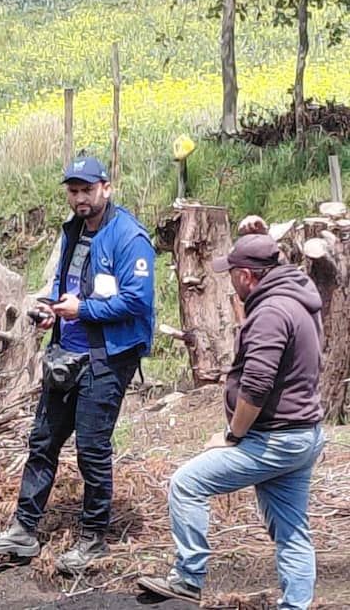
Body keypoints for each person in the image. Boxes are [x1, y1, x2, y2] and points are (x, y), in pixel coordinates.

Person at [0, 157, 156, 573]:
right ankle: (23, 530)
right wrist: (54, 312)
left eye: (86, 190)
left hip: (107, 357)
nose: (79, 198)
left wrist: (83, 309)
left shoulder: (129, 237)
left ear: (105, 188)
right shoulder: (73, 232)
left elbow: (138, 300)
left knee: (92, 449)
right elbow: (69, 290)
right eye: (73, 191)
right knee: (43, 442)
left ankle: (94, 540)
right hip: (65, 353)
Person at [138, 233, 325, 608]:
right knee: (292, 531)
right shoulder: (299, 300)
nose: (231, 281)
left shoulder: (272, 312)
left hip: (275, 439)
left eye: (232, 274)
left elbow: (256, 386)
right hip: (304, 434)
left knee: (186, 484)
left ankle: (188, 578)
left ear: (246, 275)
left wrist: (233, 435)